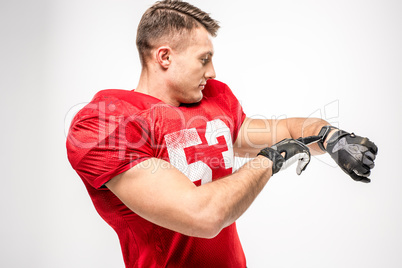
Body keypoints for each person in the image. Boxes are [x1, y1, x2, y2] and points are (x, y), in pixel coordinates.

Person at [66, 0, 378, 267]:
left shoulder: (213, 98)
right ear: (164, 57)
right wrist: (271, 159)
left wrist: (331, 136)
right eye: (204, 59)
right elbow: (202, 215)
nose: (212, 71)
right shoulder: (107, 122)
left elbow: (282, 130)